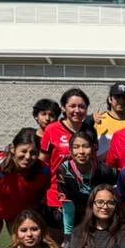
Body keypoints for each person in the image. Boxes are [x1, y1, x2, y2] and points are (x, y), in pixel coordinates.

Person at [39, 88, 91, 229]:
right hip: (57, 194)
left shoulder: (90, 130)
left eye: (81, 106)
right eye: (72, 106)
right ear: (63, 107)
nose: (77, 110)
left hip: (83, 195)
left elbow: (93, 163)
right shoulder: (52, 129)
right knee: (58, 242)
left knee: (80, 240)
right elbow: (42, 162)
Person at [56, 126, 119, 236]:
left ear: (94, 148)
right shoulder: (64, 171)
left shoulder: (104, 170)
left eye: (86, 147)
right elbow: (68, 204)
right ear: (70, 151)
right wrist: (68, 234)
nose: (81, 151)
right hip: (76, 217)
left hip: (102, 217)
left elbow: (121, 183)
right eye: (76, 147)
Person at [94, 82, 125, 161]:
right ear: (110, 99)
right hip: (102, 169)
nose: (121, 101)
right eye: (117, 97)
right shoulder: (98, 119)